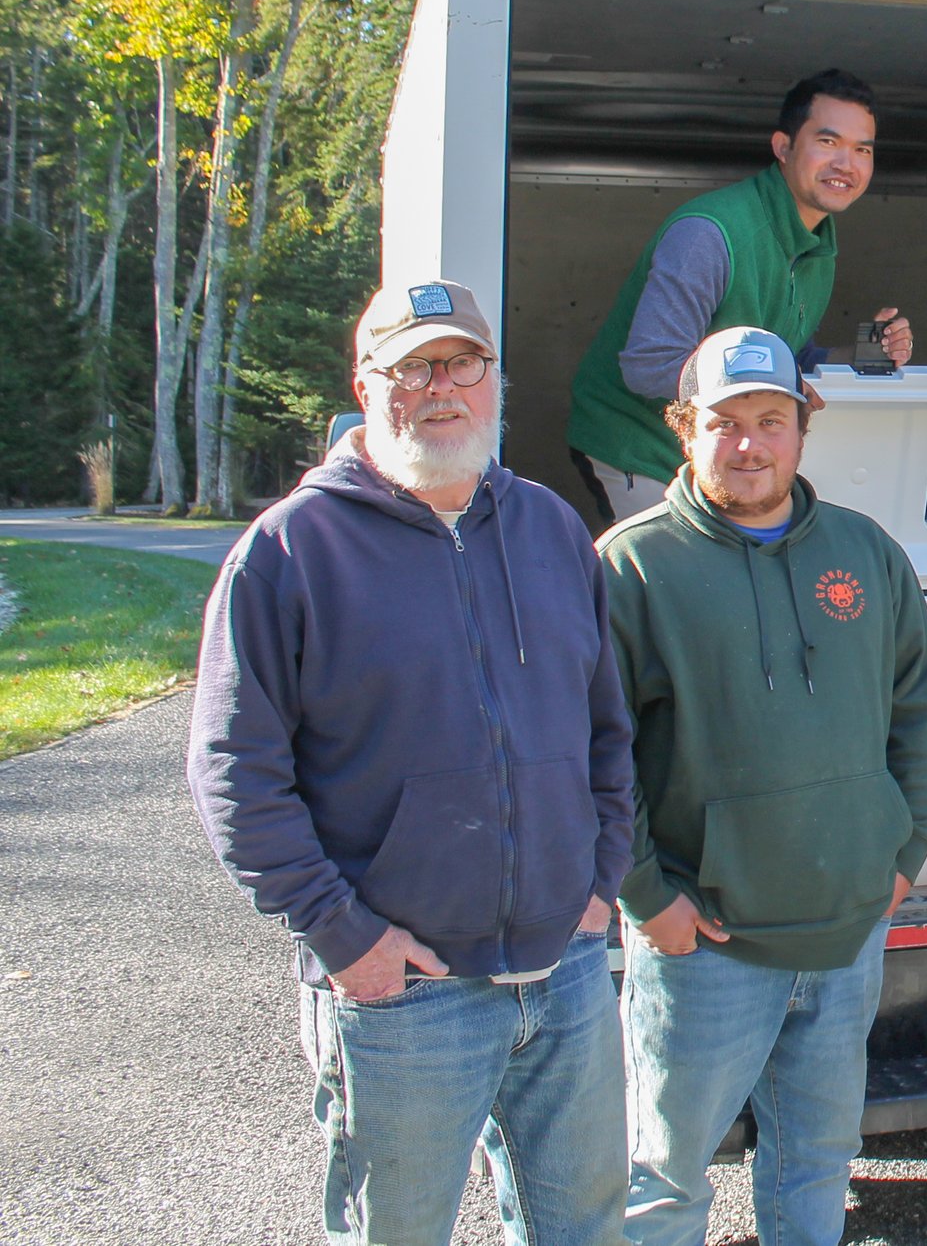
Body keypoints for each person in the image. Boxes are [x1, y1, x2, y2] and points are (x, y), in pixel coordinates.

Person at [189, 277, 634, 1246]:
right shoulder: (290, 551)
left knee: (587, 1228)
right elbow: (234, 771)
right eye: (414, 367)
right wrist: (343, 934)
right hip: (404, 996)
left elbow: (609, 728)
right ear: (366, 384)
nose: (443, 387)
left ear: (494, 379)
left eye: (464, 363)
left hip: (564, 972)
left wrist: (600, 879)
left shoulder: (553, 530)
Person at [598, 326, 927, 1246]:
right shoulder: (632, 565)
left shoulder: (867, 553)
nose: (749, 443)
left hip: (845, 933)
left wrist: (905, 848)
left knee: (817, 1158)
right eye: (724, 422)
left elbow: (915, 708)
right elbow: (597, 753)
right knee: (665, 1175)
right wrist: (647, 896)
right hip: (706, 944)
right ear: (684, 428)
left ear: (802, 427)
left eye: (771, 419)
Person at [568, 66, 915, 527]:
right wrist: (773, 384)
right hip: (638, 448)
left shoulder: (818, 245)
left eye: (862, 149)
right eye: (828, 142)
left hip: (723, 454)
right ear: (783, 147)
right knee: (674, 571)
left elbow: (787, 357)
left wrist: (860, 355)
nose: (846, 164)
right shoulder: (709, 235)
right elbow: (648, 364)